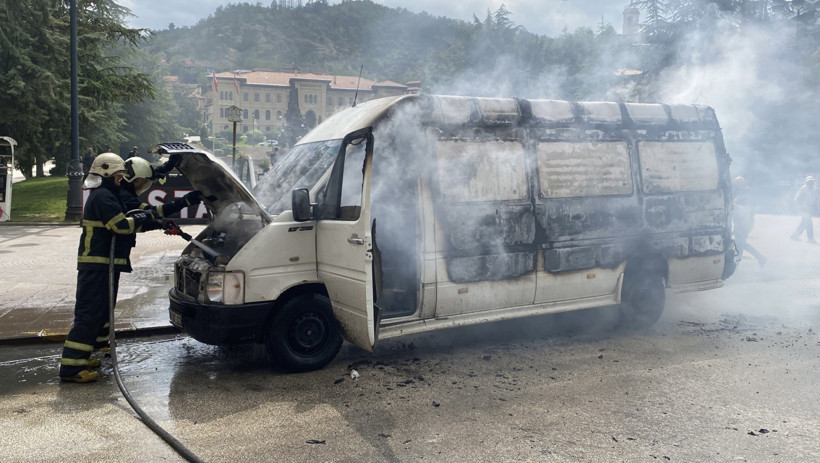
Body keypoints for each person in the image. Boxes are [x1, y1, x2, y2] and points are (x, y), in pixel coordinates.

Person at [58, 153, 163, 383]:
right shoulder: (104, 197)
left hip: (104, 265)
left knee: (101, 312)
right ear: (106, 174)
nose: (120, 181)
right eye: (117, 177)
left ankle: (83, 357)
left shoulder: (105, 194)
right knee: (90, 315)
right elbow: (121, 226)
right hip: (97, 266)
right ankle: (71, 368)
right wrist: (144, 218)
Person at [121, 156, 203, 221]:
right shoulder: (126, 198)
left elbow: (148, 176)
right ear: (135, 180)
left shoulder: (122, 187)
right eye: (145, 181)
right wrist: (183, 202)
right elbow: (153, 211)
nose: (146, 184)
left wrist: (167, 166)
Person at [731, 176, 766, 266]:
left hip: (745, 222)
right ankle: (761, 258)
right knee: (741, 243)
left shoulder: (747, 193)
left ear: (741, 184)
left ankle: (736, 265)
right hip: (739, 221)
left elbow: (747, 208)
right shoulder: (740, 192)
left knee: (739, 244)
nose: (736, 186)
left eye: (737, 184)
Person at [790, 176, 816, 243]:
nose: (811, 183)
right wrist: (802, 206)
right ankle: (810, 238)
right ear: (806, 182)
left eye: (812, 182)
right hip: (803, 209)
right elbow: (797, 199)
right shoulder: (803, 189)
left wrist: (813, 207)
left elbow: (813, 199)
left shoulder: (813, 189)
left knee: (804, 223)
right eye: (809, 181)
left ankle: (795, 235)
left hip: (808, 209)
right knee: (809, 223)